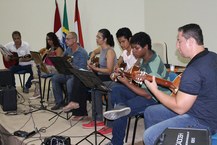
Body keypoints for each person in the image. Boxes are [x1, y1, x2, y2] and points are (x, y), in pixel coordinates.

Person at [143, 23, 217, 145]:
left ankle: (159, 139)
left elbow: (180, 107)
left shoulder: (194, 70)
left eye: (179, 41)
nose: (177, 46)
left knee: (149, 136)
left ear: (191, 41)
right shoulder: (212, 56)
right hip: (201, 108)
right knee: (150, 112)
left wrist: (155, 90)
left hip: (204, 121)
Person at [103, 32, 171, 145]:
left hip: (156, 98)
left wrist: (126, 82)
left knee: (121, 111)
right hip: (145, 92)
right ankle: (120, 106)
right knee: (116, 89)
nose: (133, 51)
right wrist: (124, 74)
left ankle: (116, 142)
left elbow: (148, 94)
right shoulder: (146, 56)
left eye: (136, 48)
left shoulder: (152, 67)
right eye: (133, 47)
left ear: (146, 47)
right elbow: (138, 76)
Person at [81, 29, 117, 135]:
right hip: (102, 78)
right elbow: (94, 52)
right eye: (96, 37)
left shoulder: (110, 51)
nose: (96, 39)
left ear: (105, 39)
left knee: (96, 87)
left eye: (99, 37)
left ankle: (107, 123)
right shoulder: (101, 49)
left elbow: (109, 70)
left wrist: (94, 68)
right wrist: (91, 58)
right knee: (94, 88)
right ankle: (98, 119)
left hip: (109, 79)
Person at [51, 32, 88, 116]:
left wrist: (72, 66)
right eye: (65, 39)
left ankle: (71, 103)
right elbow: (62, 60)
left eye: (68, 39)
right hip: (67, 73)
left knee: (70, 82)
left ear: (74, 40)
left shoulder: (82, 53)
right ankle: (59, 102)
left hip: (77, 76)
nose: (66, 41)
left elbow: (82, 69)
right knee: (55, 78)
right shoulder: (68, 50)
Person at [31, 32, 64, 99]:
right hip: (47, 67)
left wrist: (52, 55)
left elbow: (58, 62)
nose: (49, 41)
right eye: (47, 40)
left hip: (55, 69)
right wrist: (44, 54)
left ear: (54, 39)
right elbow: (41, 60)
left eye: (50, 39)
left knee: (40, 71)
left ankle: (37, 88)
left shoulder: (58, 49)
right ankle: (37, 81)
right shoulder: (47, 49)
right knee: (34, 64)